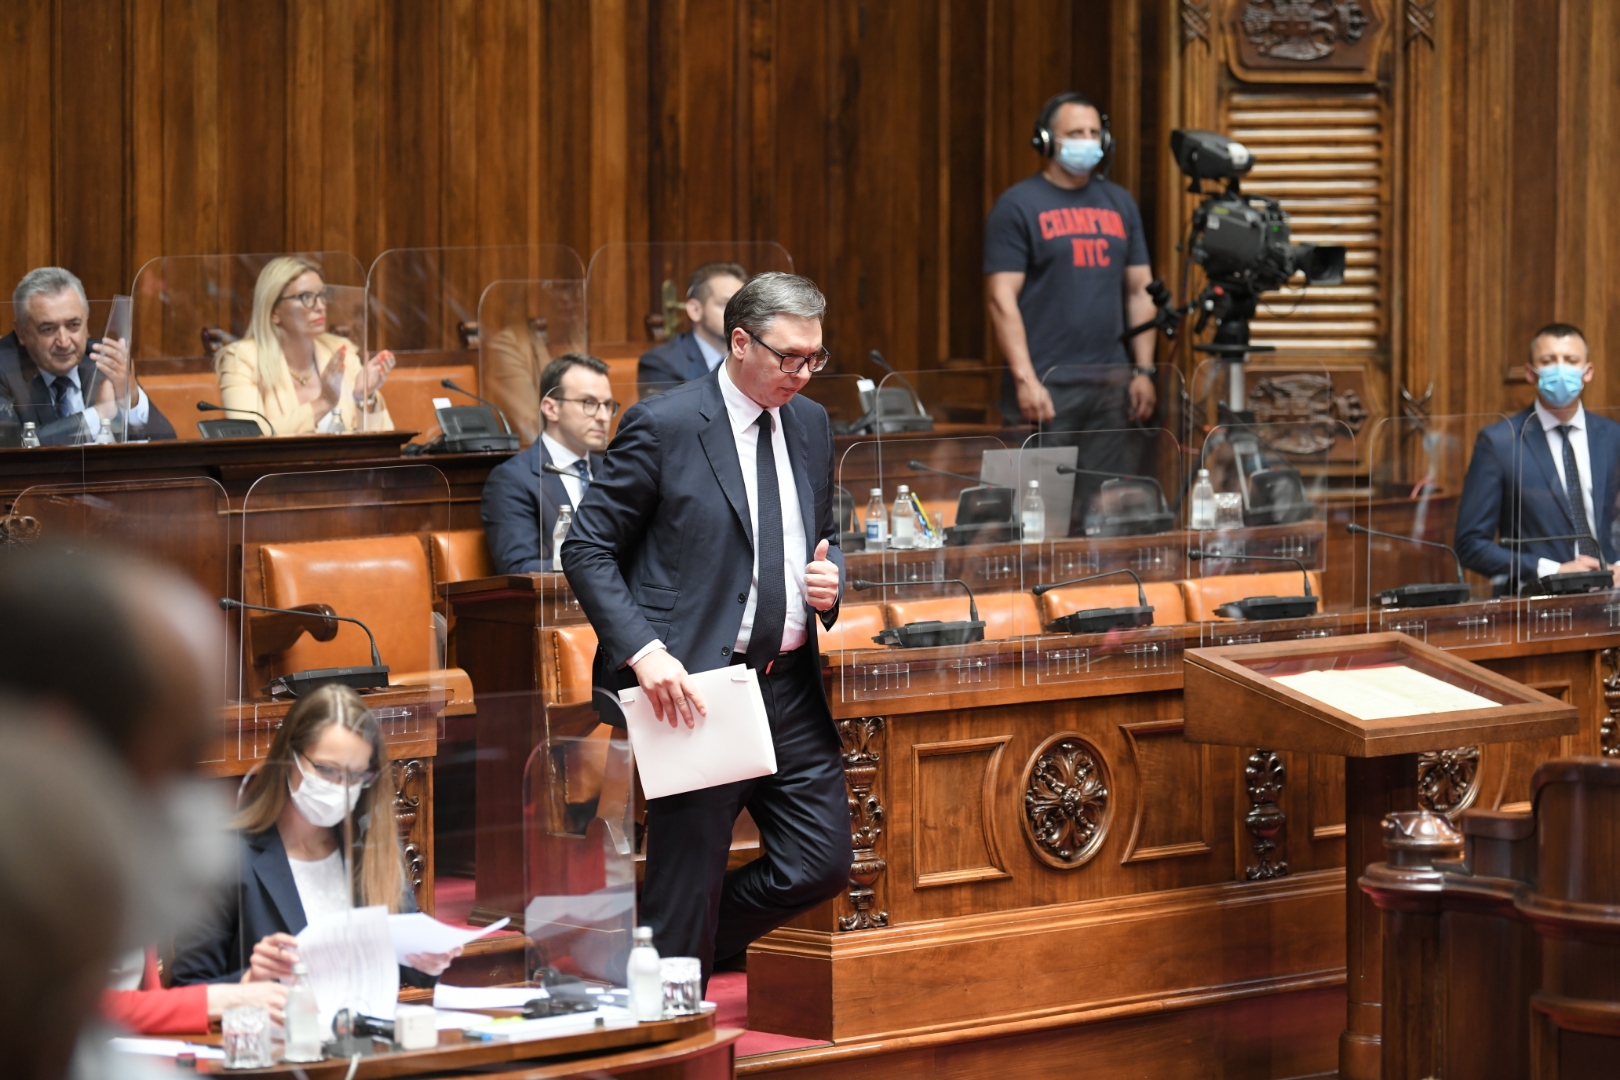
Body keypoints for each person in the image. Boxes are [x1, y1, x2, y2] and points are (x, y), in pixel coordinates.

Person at [564, 271, 851, 983]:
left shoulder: (811, 423)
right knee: (685, 879)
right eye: (790, 358)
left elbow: (821, 533)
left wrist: (830, 579)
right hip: (696, 689)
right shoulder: (664, 424)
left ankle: (656, 951)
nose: (804, 374)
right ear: (741, 341)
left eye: (815, 358)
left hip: (790, 684)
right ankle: (668, 984)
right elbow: (586, 547)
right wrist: (645, 652)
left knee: (822, 862)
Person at [171, 683, 458, 988]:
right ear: (289, 758)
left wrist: (430, 960)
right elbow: (188, 987)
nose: (341, 786)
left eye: (356, 775)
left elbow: (406, 963)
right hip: (274, 1031)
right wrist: (251, 981)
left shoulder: (370, 846)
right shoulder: (224, 854)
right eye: (327, 770)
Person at [984, 92, 1156, 532]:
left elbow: (1140, 289)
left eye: (1095, 133)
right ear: (1046, 140)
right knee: (1038, 521)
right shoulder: (1018, 205)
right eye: (1075, 133)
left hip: (1112, 390)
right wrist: (1025, 379)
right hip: (1047, 390)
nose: (1087, 141)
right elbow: (1001, 298)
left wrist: (1144, 370)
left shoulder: (1120, 203)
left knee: (1110, 520)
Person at [1456, 322, 1620, 593]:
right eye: (1548, 361)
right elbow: (1470, 545)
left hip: (1611, 600)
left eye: (1570, 360)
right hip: (1536, 600)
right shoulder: (1500, 442)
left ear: (1587, 371)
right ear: (1531, 374)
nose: (1560, 368)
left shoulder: (1613, 437)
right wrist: (1552, 571)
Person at [214, 256, 395, 435]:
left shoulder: (340, 352)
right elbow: (247, 435)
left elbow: (384, 444)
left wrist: (363, 397)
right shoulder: (242, 360)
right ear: (273, 311)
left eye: (322, 295)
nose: (320, 306)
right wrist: (323, 403)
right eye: (306, 297)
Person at [0, 266, 176, 445]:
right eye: (48, 329)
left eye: (73, 325)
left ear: (87, 325)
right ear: (21, 332)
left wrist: (131, 397)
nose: (64, 341)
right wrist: (98, 415)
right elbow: (11, 449)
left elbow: (169, 448)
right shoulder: (4, 369)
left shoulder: (103, 361)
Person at [482, 353, 616, 573]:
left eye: (608, 405)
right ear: (551, 408)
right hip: (556, 604)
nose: (603, 416)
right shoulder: (513, 479)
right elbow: (518, 568)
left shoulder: (611, 471)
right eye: (589, 403)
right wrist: (602, 566)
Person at [637, 262, 748, 398]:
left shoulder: (754, 356)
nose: (738, 314)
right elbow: (669, 418)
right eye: (726, 304)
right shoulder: (661, 364)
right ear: (695, 310)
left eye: (743, 305)